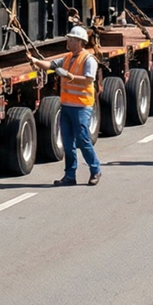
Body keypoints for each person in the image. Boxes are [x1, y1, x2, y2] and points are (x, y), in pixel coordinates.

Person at [29, 25, 102, 185]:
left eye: (71, 39)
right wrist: (35, 61)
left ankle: (95, 169)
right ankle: (70, 176)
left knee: (83, 140)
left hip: (82, 107)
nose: (68, 41)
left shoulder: (89, 59)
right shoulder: (67, 58)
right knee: (68, 144)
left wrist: (69, 76)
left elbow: (89, 79)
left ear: (79, 42)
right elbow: (50, 65)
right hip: (67, 106)